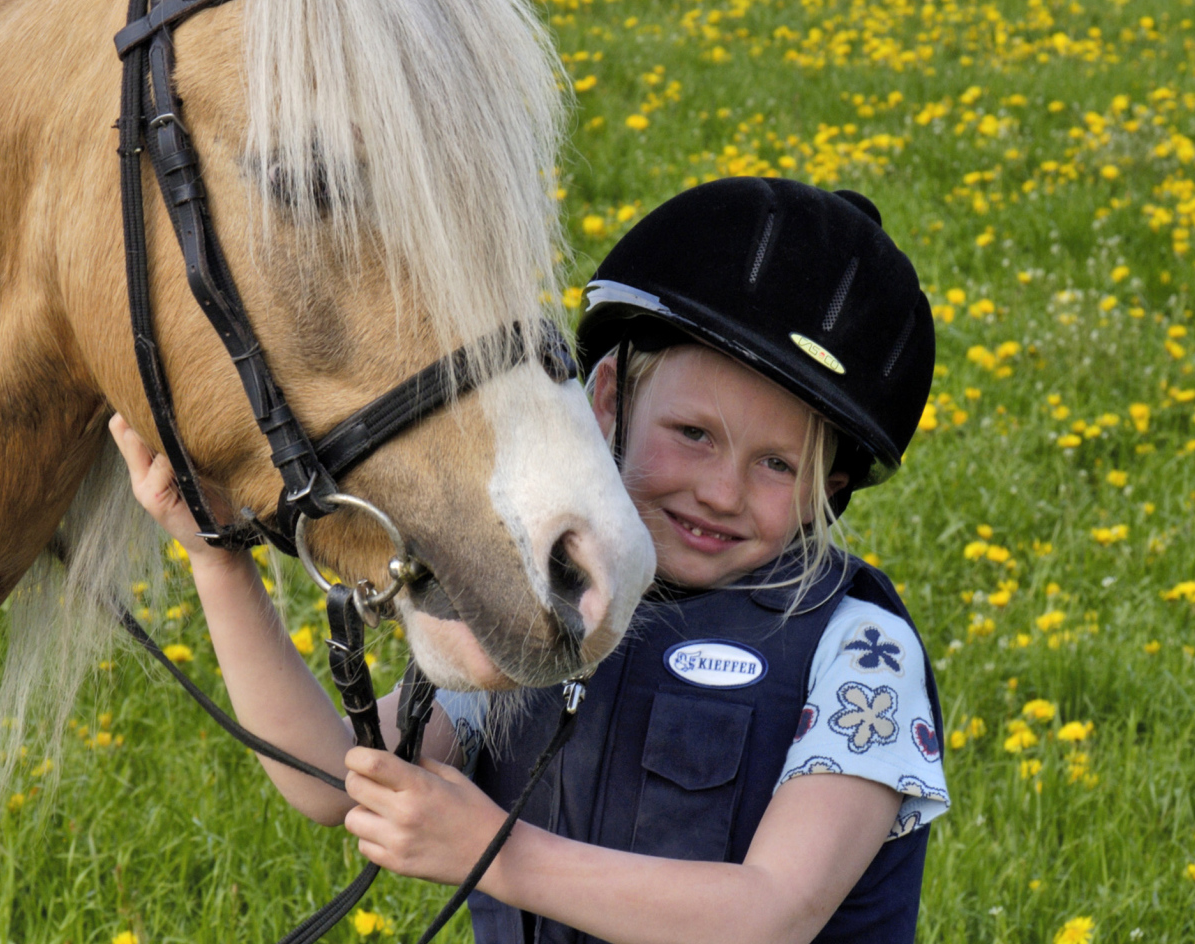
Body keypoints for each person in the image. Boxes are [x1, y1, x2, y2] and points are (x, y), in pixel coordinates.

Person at [111, 176, 946, 944]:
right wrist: (216, 560)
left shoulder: (857, 652)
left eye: (776, 465)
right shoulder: (550, 593)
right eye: (692, 435)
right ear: (608, 399)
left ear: (827, 491)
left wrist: (492, 849)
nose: (722, 492)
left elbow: (772, 913)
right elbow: (332, 781)